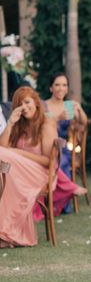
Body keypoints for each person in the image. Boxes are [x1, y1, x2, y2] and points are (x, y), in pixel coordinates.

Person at [0, 87, 57, 247]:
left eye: (27, 102)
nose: (24, 107)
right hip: (19, 173)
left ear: (36, 103)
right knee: (5, 176)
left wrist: (18, 153)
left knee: (6, 170)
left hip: (42, 174)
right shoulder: (19, 124)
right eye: (20, 104)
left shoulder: (46, 123)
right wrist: (10, 122)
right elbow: (3, 147)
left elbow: (48, 161)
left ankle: (10, 234)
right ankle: (5, 233)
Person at [43, 72, 88, 177]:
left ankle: (61, 190)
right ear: (51, 88)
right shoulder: (44, 105)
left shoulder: (68, 105)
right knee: (53, 160)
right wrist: (58, 117)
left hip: (63, 148)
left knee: (61, 160)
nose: (61, 88)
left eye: (64, 85)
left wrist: (80, 110)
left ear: (67, 89)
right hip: (45, 146)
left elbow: (84, 122)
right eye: (57, 85)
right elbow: (41, 124)